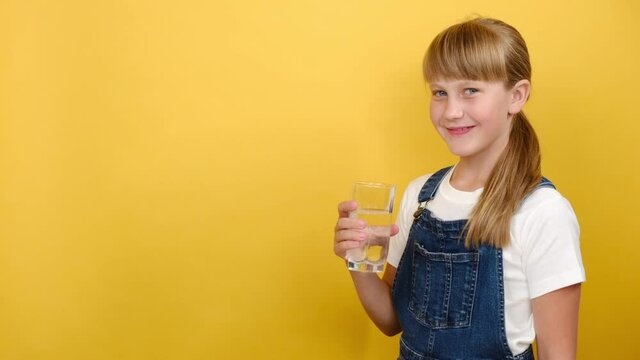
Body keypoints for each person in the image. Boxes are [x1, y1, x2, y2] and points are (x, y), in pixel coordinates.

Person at [333, 17, 585, 360]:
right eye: (440, 92)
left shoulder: (542, 212)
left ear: (517, 96)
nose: (451, 111)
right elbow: (392, 320)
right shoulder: (421, 197)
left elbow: (559, 355)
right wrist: (358, 260)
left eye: (470, 90)